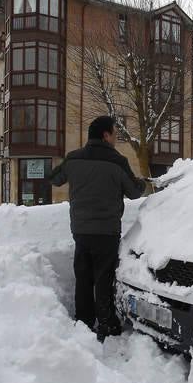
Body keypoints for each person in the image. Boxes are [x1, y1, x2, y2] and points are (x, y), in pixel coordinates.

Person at [50, 116, 146, 341]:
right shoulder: (117, 161)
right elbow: (133, 192)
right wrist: (140, 182)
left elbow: (55, 179)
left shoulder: (74, 158)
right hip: (107, 231)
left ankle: (83, 322)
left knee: (83, 277)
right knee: (104, 278)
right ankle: (107, 324)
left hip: (81, 230)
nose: (115, 137)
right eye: (114, 133)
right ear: (105, 135)